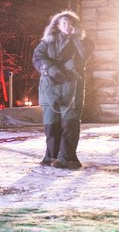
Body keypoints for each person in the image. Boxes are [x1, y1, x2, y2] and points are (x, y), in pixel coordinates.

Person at [32, 10, 93, 169]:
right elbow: (37, 57)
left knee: (69, 123)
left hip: (71, 88)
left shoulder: (83, 42)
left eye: (71, 23)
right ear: (58, 25)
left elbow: (83, 57)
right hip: (49, 88)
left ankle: (67, 158)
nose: (68, 26)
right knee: (51, 124)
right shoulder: (47, 42)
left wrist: (76, 40)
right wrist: (50, 68)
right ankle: (51, 156)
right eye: (64, 23)